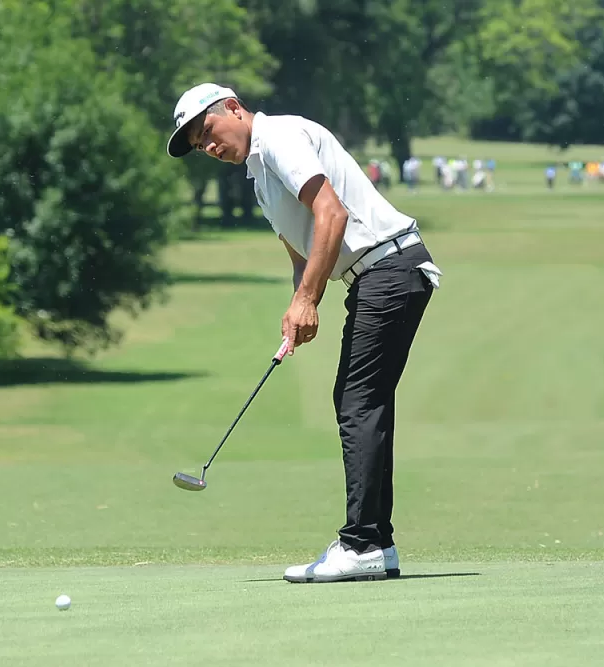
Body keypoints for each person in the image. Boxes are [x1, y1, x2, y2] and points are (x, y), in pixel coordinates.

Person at [165, 83, 443, 583]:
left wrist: (309, 300)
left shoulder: (280, 137)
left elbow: (331, 214)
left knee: (357, 403)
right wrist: (298, 304)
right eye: (196, 145)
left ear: (233, 107)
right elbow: (304, 254)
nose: (207, 147)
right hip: (380, 274)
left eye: (206, 131)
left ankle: (362, 544)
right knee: (362, 402)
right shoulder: (259, 176)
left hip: (390, 267)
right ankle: (377, 542)